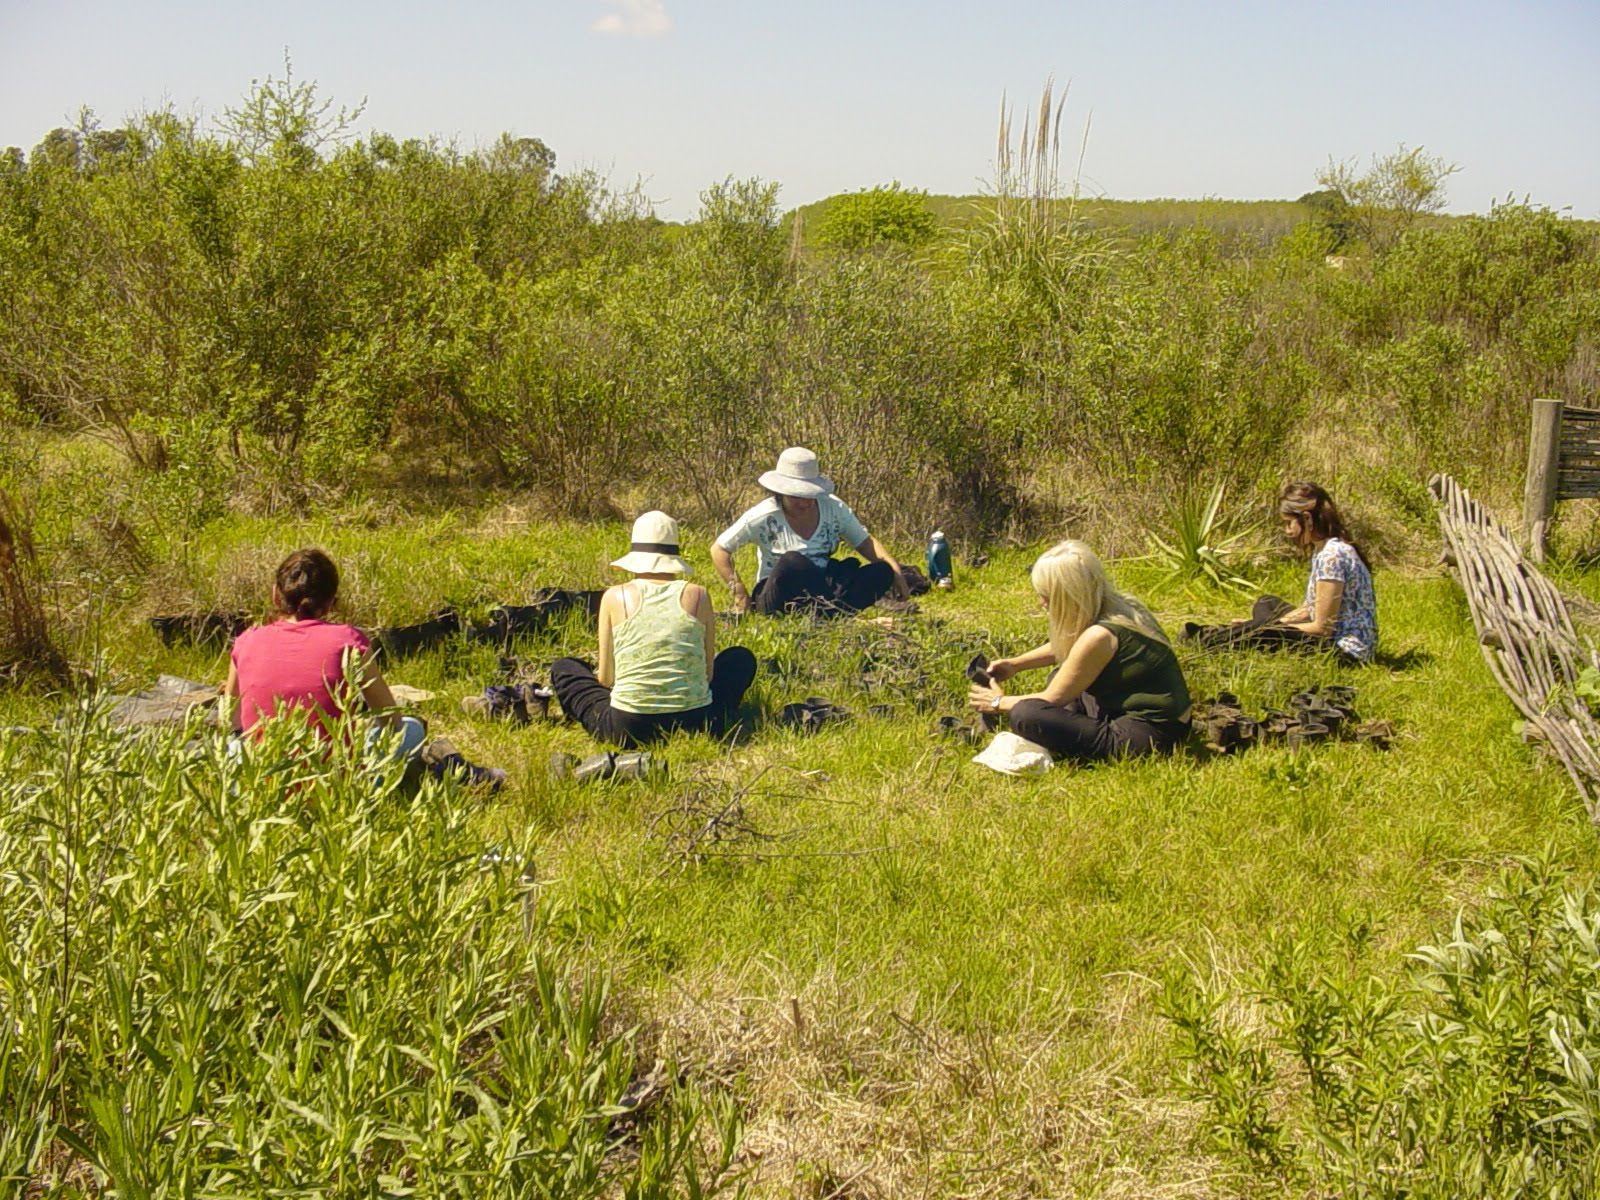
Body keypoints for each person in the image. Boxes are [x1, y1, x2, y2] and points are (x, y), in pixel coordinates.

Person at [967, 540, 1192, 763]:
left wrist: (998, 702)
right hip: (1170, 719)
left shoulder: (1099, 636)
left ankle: (1080, 738)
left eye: (1046, 596)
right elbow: (1072, 646)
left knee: (1026, 715)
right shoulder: (1120, 605)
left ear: (1068, 595)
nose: (1041, 603)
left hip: (1149, 736)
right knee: (1060, 677)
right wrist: (1016, 664)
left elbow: (1052, 698)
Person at [551, 511, 757, 747]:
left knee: (565, 668)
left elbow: (606, 678)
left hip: (628, 726)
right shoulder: (698, 595)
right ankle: (706, 720)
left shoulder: (615, 596)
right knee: (740, 658)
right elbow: (707, 674)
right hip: (697, 720)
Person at [224, 548, 427, 766]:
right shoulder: (348, 641)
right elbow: (391, 721)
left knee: (232, 746)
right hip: (330, 780)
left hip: (259, 777)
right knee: (412, 729)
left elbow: (230, 720)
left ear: (275, 594)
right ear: (331, 602)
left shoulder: (246, 641)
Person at [1183, 482, 1377, 663]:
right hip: (1331, 637)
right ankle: (1248, 630)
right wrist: (1260, 624)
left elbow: (1322, 628)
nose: (1287, 531)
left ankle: (1208, 639)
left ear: (1307, 518)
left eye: (1289, 523)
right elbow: (1309, 609)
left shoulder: (1332, 555)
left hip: (1344, 651)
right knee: (1267, 602)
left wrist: (1266, 628)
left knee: (1267, 631)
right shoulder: (1324, 550)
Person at [711, 447, 912, 616]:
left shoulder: (833, 509)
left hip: (824, 585)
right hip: (778, 594)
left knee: (882, 570)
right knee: (792, 561)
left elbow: (865, 543)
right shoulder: (764, 515)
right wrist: (739, 592)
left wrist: (895, 571)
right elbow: (719, 550)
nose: (804, 502)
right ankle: (839, 612)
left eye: (809, 495)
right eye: (796, 496)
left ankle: (831, 611)